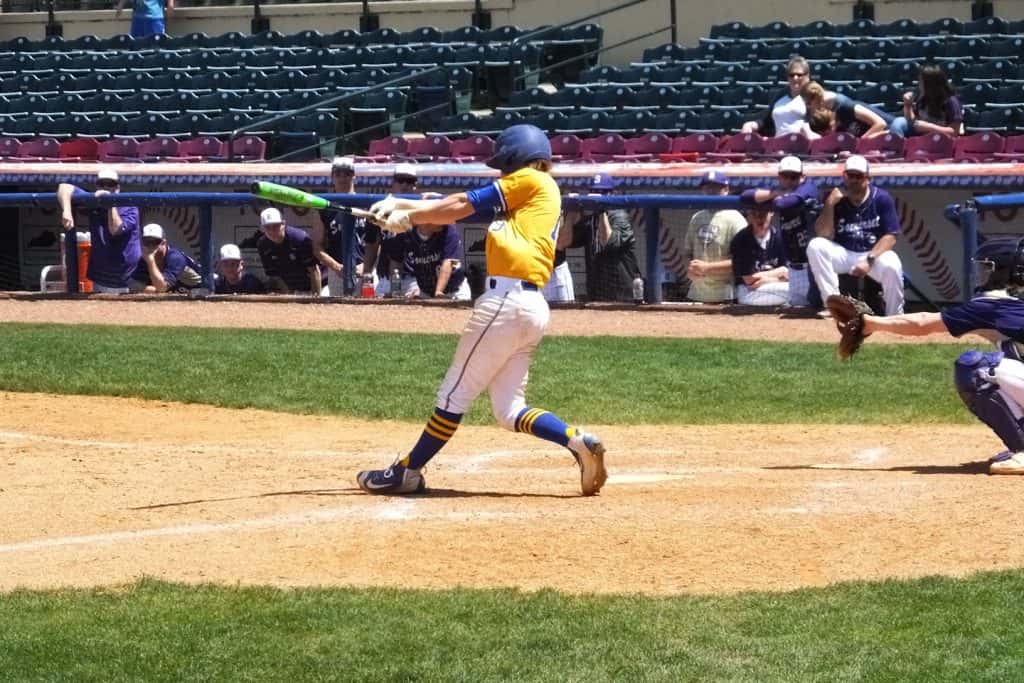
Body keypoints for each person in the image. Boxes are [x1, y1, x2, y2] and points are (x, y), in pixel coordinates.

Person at [355, 124, 607, 496]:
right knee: (509, 410)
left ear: (518, 158)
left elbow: (462, 204)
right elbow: (454, 209)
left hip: (506, 301)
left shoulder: (532, 179)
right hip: (529, 306)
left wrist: (409, 215)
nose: (502, 173)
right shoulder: (535, 195)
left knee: (453, 395)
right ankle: (576, 440)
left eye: (505, 165)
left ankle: (406, 471)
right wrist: (404, 207)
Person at [853, 236, 1024, 474]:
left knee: (975, 370)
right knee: (1008, 358)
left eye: (986, 268)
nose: (981, 275)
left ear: (1004, 272)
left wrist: (870, 323)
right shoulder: (1013, 304)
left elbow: (922, 323)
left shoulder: (991, 306)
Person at [808, 155, 904, 316]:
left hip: (872, 254)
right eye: (849, 175)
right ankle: (835, 306)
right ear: (844, 176)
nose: (853, 180)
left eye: (858, 176)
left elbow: (891, 236)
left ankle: (895, 316)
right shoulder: (836, 198)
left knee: (892, 264)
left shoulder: (881, 198)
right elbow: (823, 233)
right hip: (845, 254)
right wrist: (830, 204)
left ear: (868, 178)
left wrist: (869, 259)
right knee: (816, 245)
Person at [740, 156, 821, 307]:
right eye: (785, 176)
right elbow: (745, 196)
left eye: (794, 176)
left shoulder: (809, 188)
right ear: (779, 177)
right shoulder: (779, 190)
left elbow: (785, 203)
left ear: (802, 177)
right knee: (798, 310)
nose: (789, 181)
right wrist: (775, 193)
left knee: (814, 309)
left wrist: (775, 197)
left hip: (812, 268)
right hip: (794, 268)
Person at [57, 168, 140, 294]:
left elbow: (115, 230)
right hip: (101, 279)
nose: (106, 187)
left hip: (128, 280)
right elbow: (64, 187)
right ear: (97, 186)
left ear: (117, 188)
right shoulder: (93, 201)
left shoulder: (130, 206)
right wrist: (67, 211)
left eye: (110, 184)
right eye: (102, 184)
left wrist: (110, 203)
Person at [562, 173, 641, 302]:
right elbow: (566, 242)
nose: (598, 195)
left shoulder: (620, 216)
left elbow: (609, 243)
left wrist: (601, 211)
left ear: (612, 194)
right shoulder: (591, 219)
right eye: (594, 192)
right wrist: (571, 213)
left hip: (621, 293)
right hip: (597, 292)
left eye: (602, 192)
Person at [682, 170, 746, 303]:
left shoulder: (736, 219)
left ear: (726, 190)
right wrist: (690, 268)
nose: (711, 191)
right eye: (707, 187)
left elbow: (743, 262)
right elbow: (687, 252)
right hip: (696, 293)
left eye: (716, 187)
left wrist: (707, 268)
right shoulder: (697, 217)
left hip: (726, 295)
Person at [310, 156, 367, 297]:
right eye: (338, 174)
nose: (342, 178)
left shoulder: (366, 204)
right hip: (337, 272)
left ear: (354, 176)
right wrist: (337, 267)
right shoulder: (324, 207)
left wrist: (366, 265)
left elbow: (377, 243)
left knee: (369, 307)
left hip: (365, 270)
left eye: (347, 173)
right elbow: (317, 247)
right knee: (339, 308)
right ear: (332, 177)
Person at [363, 162, 420, 289]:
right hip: (386, 278)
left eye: (409, 181)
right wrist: (366, 275)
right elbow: (372, 245)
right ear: (393, 183)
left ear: (415, 185)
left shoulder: (423, 210)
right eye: (400, 180)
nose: (404, 184)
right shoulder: (380, 208)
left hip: (415, 280)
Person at [380, 223, 472, 300]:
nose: (442, 218)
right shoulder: (406, 233)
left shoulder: (449, 229)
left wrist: (438, 292)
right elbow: (396, 260)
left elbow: (449, 262)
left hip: (455, 291)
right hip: (426, 292)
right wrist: (395, 290)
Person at [729, 205, 789, 306]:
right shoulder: (741, 239)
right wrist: (780, 272)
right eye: (754, 214)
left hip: (775, 285)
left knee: (796, 288)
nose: (758, 218)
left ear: (771, 213)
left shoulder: (780, 237)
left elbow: (788, 273)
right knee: (791, 291)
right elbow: (749, 279)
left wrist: (769, 280)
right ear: (749, 215)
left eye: (762, 214)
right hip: (748, 291)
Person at [255, 207, 323, 296]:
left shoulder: (299, 238)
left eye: (275, 226)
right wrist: (289, 296)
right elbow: (276, 276)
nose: (272, 231)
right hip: (294, 289)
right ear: (263, 228)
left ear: (283, 224)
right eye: (267, 227)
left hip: (320, 285)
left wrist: (316, 298)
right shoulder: (262, 245)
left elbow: (314, 271)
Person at [741, 56, 811, 137]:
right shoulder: (781, 94)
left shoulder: (812, 95)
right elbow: (766, 120)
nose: (795, 78)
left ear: (807, 76)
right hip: (778, 142)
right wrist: (751, 125)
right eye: (791, 75)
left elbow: (819, 122)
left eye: (799, 75)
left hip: (802, 142)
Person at [889, 64, 963, 139]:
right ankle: (895, 145)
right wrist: (908, 105)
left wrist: (928, 127)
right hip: (920, 138)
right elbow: (913, 121)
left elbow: (954, 132)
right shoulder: (923, 97)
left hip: (940, 140)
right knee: (898, 121)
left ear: (930, 85)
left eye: (921, 82)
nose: (919, 85)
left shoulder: (951, 101)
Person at [800, 81, 892, 139]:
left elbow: (881, 124)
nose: (808, 107)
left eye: (808, 103)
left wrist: (861, 142)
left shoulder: (845, 105)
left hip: (891, 129)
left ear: (815, 98)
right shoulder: (829, 114)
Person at [129, 223, 203, 293]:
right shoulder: (146, 258)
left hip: (204, 290)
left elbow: (162, 288)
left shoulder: (175, 258)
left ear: (164, 243)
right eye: (147, 242)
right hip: (181, 294)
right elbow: (133, 284)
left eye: (155, 242)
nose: (151, 246)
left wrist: (151, 261)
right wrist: (155, 290)